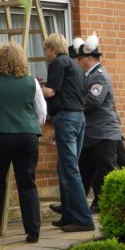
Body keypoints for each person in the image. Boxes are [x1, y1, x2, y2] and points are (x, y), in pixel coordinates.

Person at [0, 42, 46, 244]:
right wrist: (29, 125)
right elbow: (42, 113)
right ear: (21, 60)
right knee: (27, 183)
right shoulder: (32, 83)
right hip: (27, 136)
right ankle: (33, 231)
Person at [42, 33, 94, 233]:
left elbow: (52, 92)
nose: (45, 53)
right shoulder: (76, 66)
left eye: (46, 49)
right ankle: (68, 214)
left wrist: (35, 87)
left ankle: (83, 219)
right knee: (65, 167)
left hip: (67, 118)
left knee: (70, 168)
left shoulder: (57, 63)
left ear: (51, 49)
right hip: (79, 118)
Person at [76, 34, 125, 213]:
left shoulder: (99, 76)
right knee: (84, 173)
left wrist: (72, 104)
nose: (78, 61)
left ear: (90, 58)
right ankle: (75, 209)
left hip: (103, 134)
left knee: (109, 173)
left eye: (80, 57)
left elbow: (92, 100)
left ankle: (118, 208)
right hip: (92, 134)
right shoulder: (88, 76)